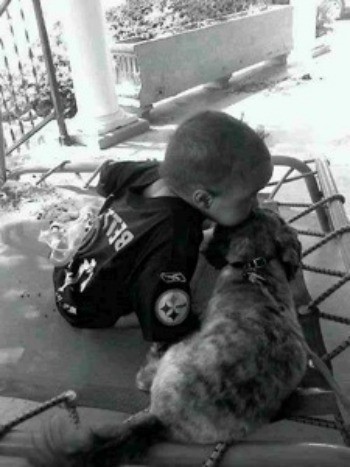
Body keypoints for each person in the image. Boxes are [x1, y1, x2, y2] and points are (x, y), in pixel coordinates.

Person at [52, 110, 273, 391]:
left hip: (71, 273)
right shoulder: (173, 242)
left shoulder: (154, 172)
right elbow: (167, 324)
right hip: (86, 308)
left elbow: (107, 175)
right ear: (202, 198)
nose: (256, 204)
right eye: (250, 197)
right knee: (201, 310)